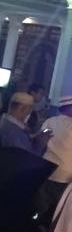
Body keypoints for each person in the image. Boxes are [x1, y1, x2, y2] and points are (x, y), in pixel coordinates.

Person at [38, 95, 72, 223]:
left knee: (42, 208)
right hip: (66, 176)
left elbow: (41, 140)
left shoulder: (50, 121)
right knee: (58, 212)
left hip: (47, 170)